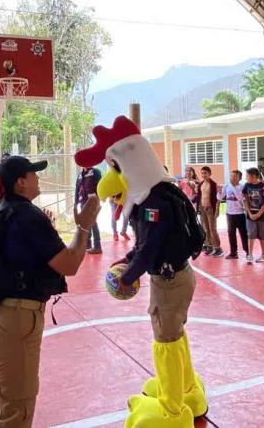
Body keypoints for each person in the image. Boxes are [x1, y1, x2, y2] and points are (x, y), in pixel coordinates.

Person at [78, 115, 207, 426]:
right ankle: (186, 390)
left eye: (116, 168)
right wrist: (127, 259)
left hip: (169, 279)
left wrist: (128, 275)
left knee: (166, 340)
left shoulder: (154, 204)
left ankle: (171, 410)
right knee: (175, 336)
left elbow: (150, 249)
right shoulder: (163, 191)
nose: (112, 178)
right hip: (177, 275)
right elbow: (147, 243)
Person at [0, 156, 100, 428]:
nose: (38, 178)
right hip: (13, 325)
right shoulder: (27, 215)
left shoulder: (2, 212)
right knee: (16, 416)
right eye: (33, 174)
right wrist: (84, 225)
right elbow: (68, 264)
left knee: (8, 410)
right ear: (20, 183)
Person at [218, 170, 248, 260]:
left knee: (243, 233)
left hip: (240, 213)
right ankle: (233, 252)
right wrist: (219, 192)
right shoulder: (227, 186)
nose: (232, 178)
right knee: (231, 233)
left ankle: (247, 251)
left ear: (239, 178)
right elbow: (219, 197)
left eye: (235, 176)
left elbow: (240, 198)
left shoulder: (242, 187)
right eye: (231, 176)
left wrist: (233, 186)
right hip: (230, 213)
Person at [243, 167, 264, 263]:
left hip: (261, 214)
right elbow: (245, 200)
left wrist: (259, 213)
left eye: (247, 176)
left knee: (262, 235)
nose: (246, 178)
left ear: (254, 176)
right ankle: (250, 254)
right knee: (250, 234)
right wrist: (249, 212)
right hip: (250, 214)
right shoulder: (247, 185)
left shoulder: (263, 185)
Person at [75, 166, 102, 253]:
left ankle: (97, 246)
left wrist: (98, 198)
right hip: (83, 202)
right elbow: (77, 189)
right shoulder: (80, 175)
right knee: (85, 224)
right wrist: (75, 203)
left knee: (93, 223)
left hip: (92, 202)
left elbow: (100, 186)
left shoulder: (95, 172)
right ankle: (87, 244)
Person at [198, 166, 221, 257]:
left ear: (209, 174)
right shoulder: (200, 184)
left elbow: (218, 199)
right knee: (206, 229)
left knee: (212, 229)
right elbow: (200, 197)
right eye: (202, 173)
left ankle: (218, 248)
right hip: (203, 208)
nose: (203, 175)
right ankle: (209, 246)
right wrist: (199, 208)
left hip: (211, 209)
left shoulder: (214, 184)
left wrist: (217, 209)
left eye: (205, 173)